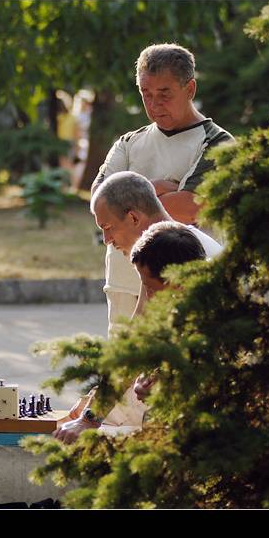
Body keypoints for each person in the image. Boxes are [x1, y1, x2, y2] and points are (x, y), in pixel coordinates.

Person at [91, 43, 234, 335]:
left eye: (164, 94)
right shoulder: (129, 143)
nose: (154, 104)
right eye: (146, 94)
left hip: (181, 285)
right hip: (123, 283)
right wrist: (160, 189)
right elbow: (100, 200)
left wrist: (131, 194)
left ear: (190, 89)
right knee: (122, 373)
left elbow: (189, 206)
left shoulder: (217, 143)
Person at [54, 220, 207, 443]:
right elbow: (129, 355)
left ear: (180, 278)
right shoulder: (168, 296)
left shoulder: (214, 316)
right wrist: (89, 418)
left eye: (152, 288)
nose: (148, 296)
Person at [92, 171, 222, 336]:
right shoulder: (154, 252)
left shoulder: (184, 252)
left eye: (108, 228)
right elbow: (139, 331)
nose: (106, 240)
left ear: (133, 218)